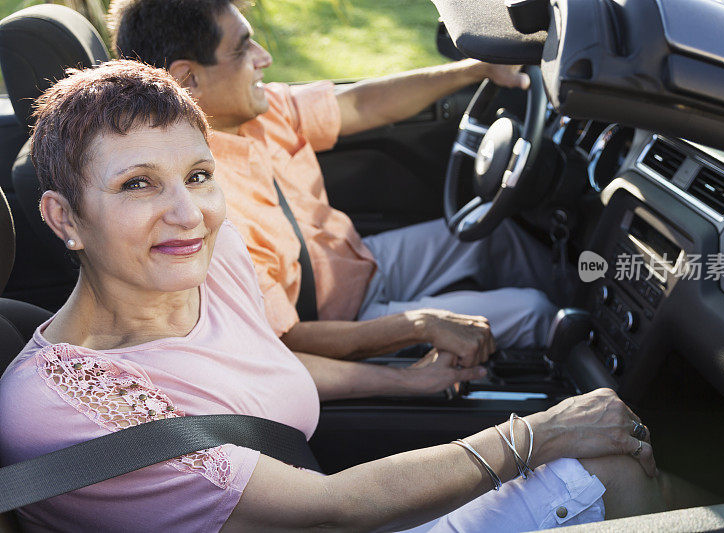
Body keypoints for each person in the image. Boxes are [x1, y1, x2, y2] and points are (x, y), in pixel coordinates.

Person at [0, 61, 674, 532]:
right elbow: (329, 508)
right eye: (137, 185)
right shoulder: (66, 406)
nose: (189, 214)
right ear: (64, 219)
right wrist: (540, 432)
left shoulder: (210, 259)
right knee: (613, 473)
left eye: (199, 175)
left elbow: (266, 362)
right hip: (330, 509)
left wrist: (408, 383)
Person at [107, 0, 562, 366]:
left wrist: (475, 69)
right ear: (188, 80)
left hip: (362, 263)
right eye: (244, 49)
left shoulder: (259, 112)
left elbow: (361, 105)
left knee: (495, 236)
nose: (264, 58)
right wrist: (419, 324)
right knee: (534, 311)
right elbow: (292, 339)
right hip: (344, 326)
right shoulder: (197, 206)